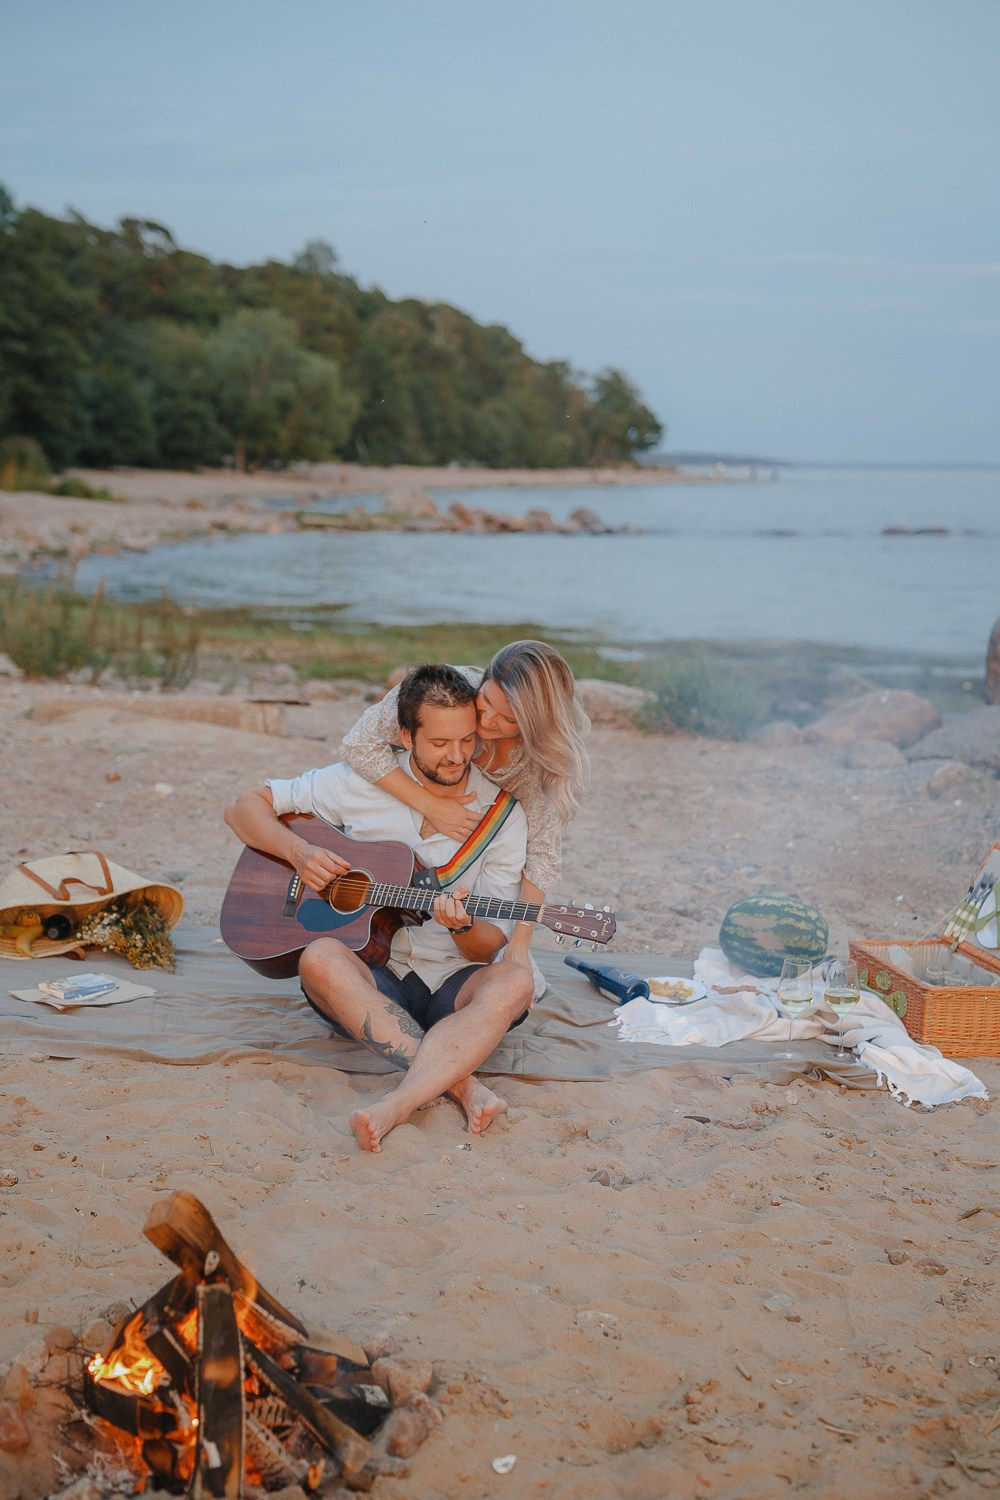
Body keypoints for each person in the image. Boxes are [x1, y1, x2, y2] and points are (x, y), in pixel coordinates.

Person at [224, 663, 535, 1154]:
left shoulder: (503, 816)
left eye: (467, 741)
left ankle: (399, 1102)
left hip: (455, 980)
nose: (457, 756)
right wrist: (300, 853)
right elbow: (243, 807)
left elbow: (488, 945)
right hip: (376, 975)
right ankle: (461, 1082)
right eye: (439, 743)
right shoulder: (358, 783)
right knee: (318, 958)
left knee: (517, 981)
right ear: (407, 735)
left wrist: (463, 925)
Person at [340, 640, 590, 967]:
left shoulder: (536, 763)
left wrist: (520, 946)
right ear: (483, 679)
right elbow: (358, 745)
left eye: (508, 719)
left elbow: (542, 854)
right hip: (400, 822)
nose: (486, 720)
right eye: (486, 699)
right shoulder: (446, 690)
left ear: (532, 725)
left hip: (483, 847)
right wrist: (431, 805)